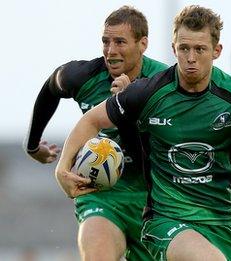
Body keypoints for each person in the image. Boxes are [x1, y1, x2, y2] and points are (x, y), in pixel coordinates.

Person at [54, 5, 231, 261]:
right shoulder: (148, 91)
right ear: (174, 49)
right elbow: (92, 120)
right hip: (166, 220)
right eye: (184, 48)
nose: (190, 58)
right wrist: (62, 167)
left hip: (220, 222)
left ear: (216, 51)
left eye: (200, 49)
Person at [23, 6, 168, 260]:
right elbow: (51, 86)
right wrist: (32, 145)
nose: (110, 52)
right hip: (101, 196)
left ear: (142, 43)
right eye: (106, 41)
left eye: (120, 42)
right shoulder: (83, 76)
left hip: (152, 199)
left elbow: (152, 155)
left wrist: (126, 105)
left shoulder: (163, 83)